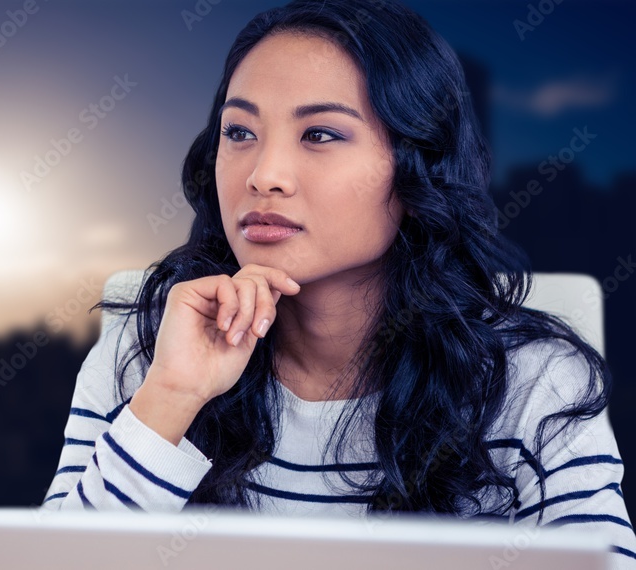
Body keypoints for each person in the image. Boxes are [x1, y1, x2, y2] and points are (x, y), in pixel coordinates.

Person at [39, 0, 636, 566]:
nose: (264, 176)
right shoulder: (144, 352)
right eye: (239, 133)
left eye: (320, 134)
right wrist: (170, 397)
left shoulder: (532, 380)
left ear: (416, 164)